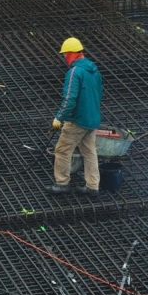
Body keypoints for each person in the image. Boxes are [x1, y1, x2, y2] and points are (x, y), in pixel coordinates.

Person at [45, 37, 103, 197]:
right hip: (92, 119)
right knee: (90, 152)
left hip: (77, 120)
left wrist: (59, 117)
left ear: (71, 54)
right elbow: (99, 93)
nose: (64, 58)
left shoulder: (75, 72)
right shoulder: (94, 70)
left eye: (65, 54)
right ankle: (93, 186)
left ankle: (62, 183)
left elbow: (70, 98)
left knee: (62, 150)